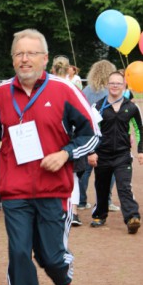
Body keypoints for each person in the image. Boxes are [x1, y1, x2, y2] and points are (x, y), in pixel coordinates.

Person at [0, 29, 99, 285]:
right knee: (19, 253)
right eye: (19, 53)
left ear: (45, 58)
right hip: (15, 192)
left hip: (54, 190)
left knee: (50, 256)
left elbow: (92, 133)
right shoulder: (1, 94)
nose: (25, 59)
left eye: (31, 53)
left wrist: (66, 153)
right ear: (13, 59)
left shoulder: (64, 90)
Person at [88, 71, 143, 233]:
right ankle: (99, 215)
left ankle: (132, 218)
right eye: (112, 83)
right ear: (107, 85)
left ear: (124, 86)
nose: (115, 86)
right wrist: (91, 152)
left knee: (124, 186)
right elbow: (90, 130)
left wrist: (141, 151)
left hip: (122, 155)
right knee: (102, 187)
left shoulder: (132, 107)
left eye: (118, 83)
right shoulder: (97, 106)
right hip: (102, 155)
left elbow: (140, 129)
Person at [79, 60, 119, 211]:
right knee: (109, 170)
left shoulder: (86, 91)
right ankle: (105, 201)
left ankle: (81, 201)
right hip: (107, 135)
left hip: (87, 134)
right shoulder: (111, 92)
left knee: (84, 169)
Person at [51, 56, 85, 227]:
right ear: (69, 70)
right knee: (72, 176)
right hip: (74, 139)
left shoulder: (47, 89)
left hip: (53, 137)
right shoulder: (76, 89)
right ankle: (74, 212)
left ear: (52, 70)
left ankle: (58, 210)